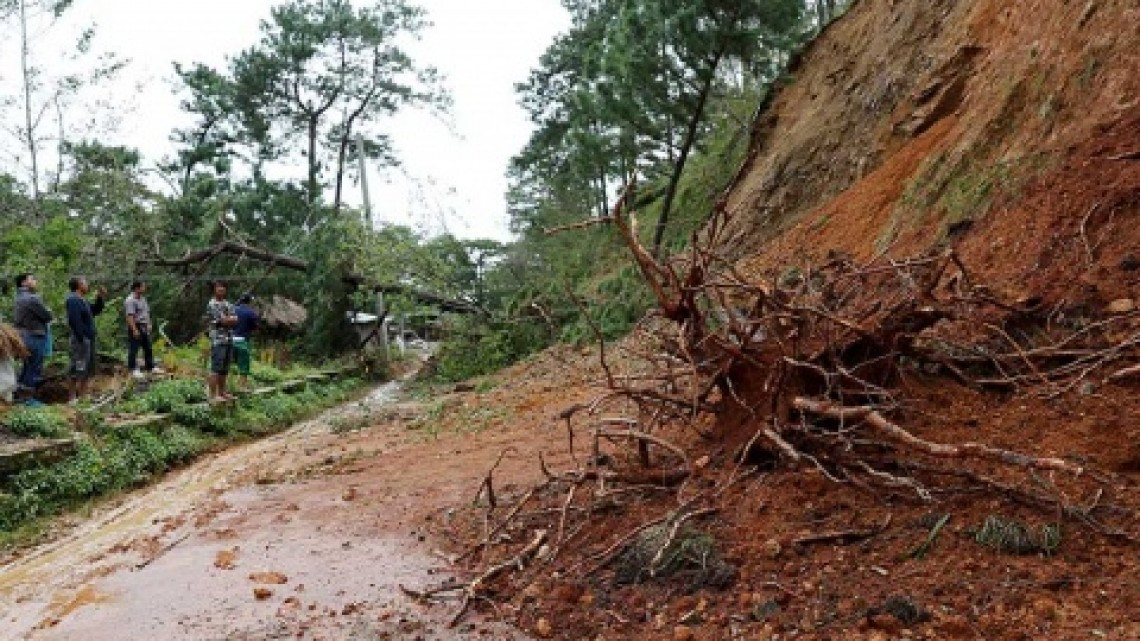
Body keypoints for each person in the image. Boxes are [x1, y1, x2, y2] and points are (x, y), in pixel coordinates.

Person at [64, 276, 106, 403]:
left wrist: (100, 297)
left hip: (88, 339)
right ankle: (72, 398)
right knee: (77, 367)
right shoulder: (73, 300)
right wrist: (81, 337)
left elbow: (95, 310)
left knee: (87, 368)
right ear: (78, 285)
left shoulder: (83, 300)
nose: (87, 285)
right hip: (81, 340)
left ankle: (83, 396)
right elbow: (74, 320)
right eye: (85, 282)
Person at [12, 273, 53, 398]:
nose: (35, 281)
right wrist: (48, 312)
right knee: (34, 367)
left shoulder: (19, 297)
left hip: (23, 335)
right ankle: (28, 399)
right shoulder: (32, 298)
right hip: (34, 335)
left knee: (27, 367)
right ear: (24, 283)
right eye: (32, 279)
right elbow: (47, 316)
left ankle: (19, 396)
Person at [204, 280, 238, 401]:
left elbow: (235, 320)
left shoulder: (228, 304)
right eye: (219, 287)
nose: (221, 289)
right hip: (218, 339)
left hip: (229, 339)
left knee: (225, 368)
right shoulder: (212, 304)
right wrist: (229, 319)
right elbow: (223, 321)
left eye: (223, 287)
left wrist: (228, 319)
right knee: (216, 367)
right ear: (214, 289)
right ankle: (213, 395)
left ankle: (222, 392)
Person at [125, 280, 164, 379]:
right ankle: (133, 369)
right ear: (137, 288)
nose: (144, 288)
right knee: (134, 348)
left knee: (148, 347)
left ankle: (151, 366)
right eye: (143, 287)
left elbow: (146, 312)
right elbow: (130, 316)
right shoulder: (130, 300)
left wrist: (149, 323)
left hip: (144, 325)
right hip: (135, 325)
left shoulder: (142, 299)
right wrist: (134, 330)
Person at [232, 293, 260, 391]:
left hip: (229, 340)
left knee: (226, 365)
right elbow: (255, 327)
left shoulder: (232, 309)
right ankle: (241, 387)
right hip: (242, 341)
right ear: (250, 302)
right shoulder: (251, 313)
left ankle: (226, 387)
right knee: (244, 366)